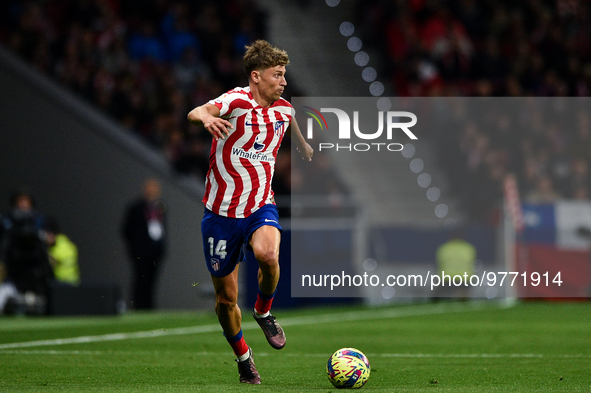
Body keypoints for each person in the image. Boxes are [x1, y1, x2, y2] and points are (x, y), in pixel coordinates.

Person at [187, 40, 313, 384]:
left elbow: (291, 117)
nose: (283, 81)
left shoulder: (283, 109)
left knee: (268, 253)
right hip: (220, 214)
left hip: (260, 204)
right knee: (226, 300)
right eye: (277, 75)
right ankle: (244, 358)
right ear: (256, 77)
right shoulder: (236, 101)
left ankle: (264, 310)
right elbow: (196, 111)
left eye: (284, 75)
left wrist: (302, 143)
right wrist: (206, 120)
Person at [121, 179, 167, 310]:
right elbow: (126, 230)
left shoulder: (160, 207)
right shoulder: (135, 208)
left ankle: (149, 306)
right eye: (151, 189)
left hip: (155, 251)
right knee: (140, 279)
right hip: (141, 252)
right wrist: (135, 247)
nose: (153, 192)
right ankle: (138, 305)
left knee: (152, 280)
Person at [44, 217, 80, 286]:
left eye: (48, 234)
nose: (46, 238)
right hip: (58, 282)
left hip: (68, 283)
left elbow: (53, 261)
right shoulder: (51, 246)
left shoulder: (63, 244)